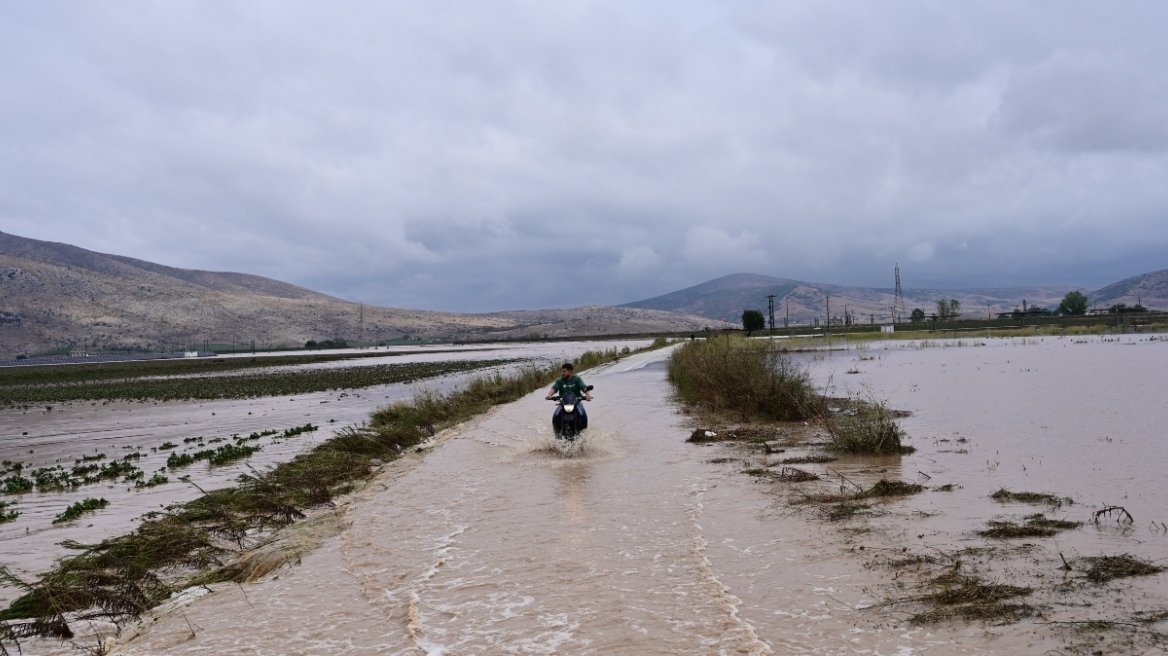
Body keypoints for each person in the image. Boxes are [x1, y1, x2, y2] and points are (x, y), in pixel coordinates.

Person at [546, 362, 591, 434]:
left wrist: (588, 395)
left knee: (583, 415)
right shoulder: (559, 381)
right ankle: (557, 433)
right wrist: (549, 395)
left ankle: (583, 433)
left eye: (564, 371)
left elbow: (584, 387)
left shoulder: (577, 379)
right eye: (562, 371)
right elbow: (554, 388)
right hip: (563, 404)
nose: (562, 373)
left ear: (570, 372)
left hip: (576, 403)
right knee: (555, 416)